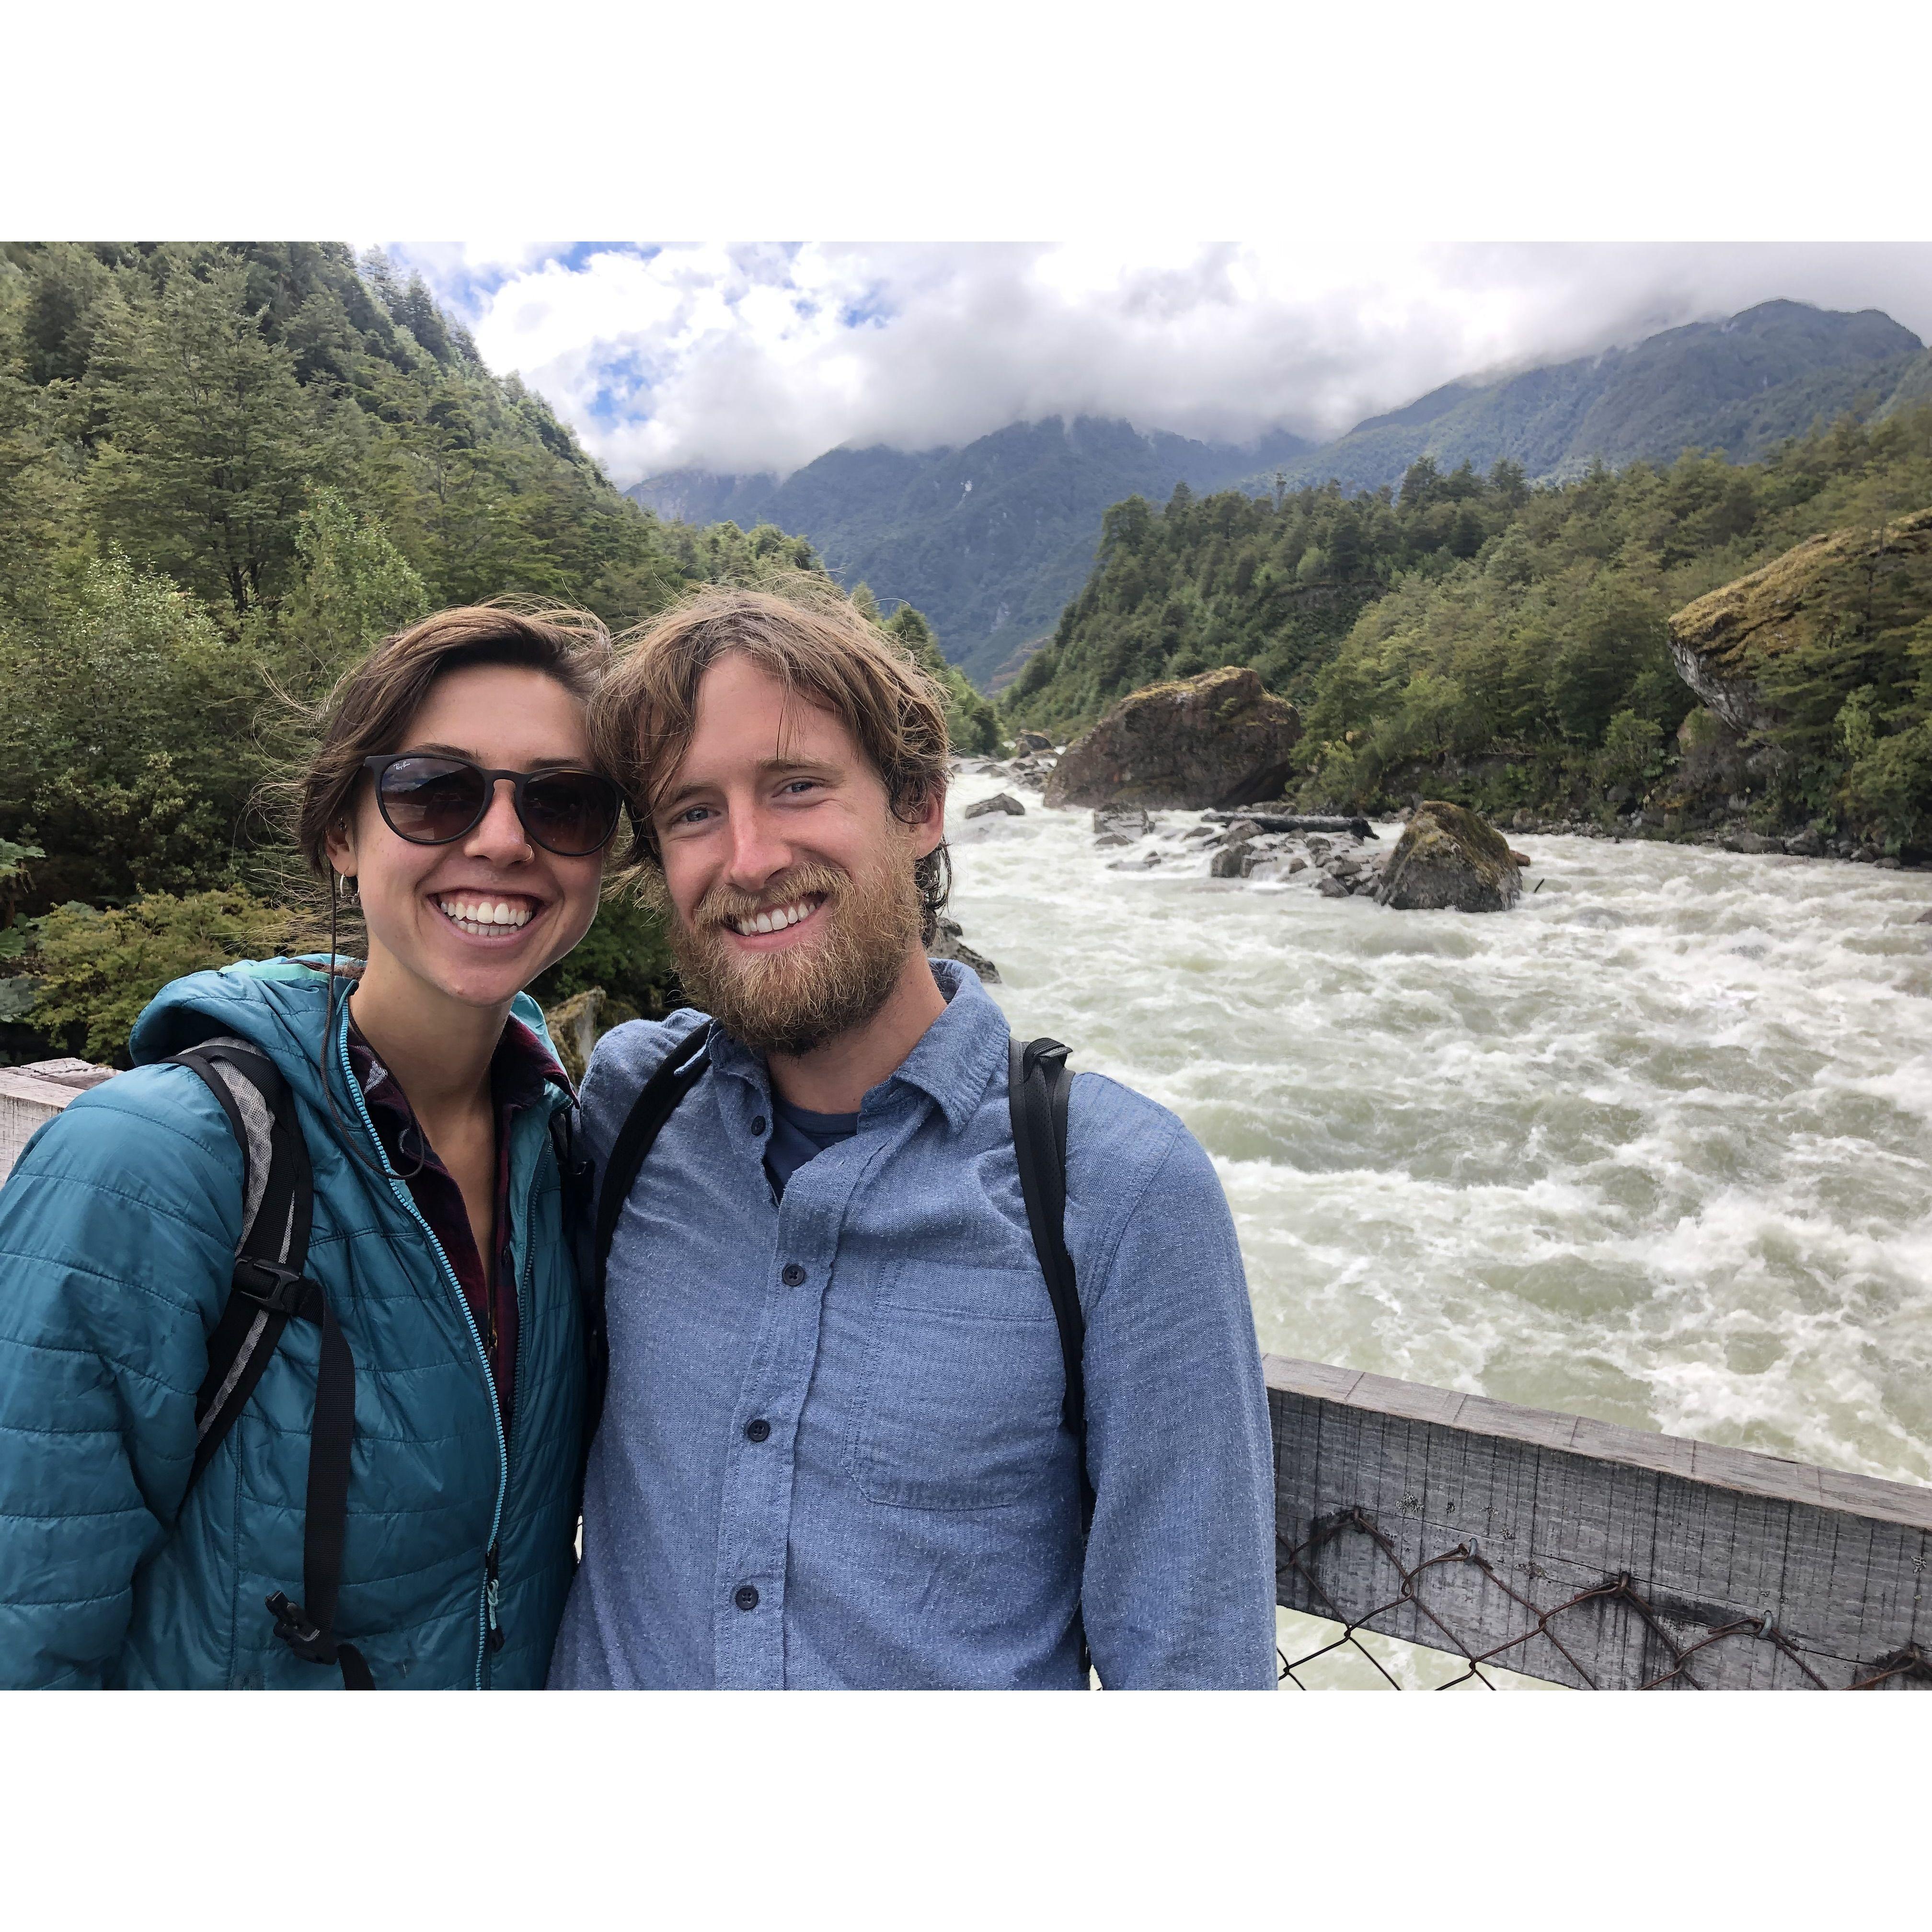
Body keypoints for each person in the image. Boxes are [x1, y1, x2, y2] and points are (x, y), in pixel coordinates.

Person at [549, 585, 1277, 1690]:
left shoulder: (1118, 1193)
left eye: (797, 787)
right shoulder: (631, 1109)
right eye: (694, 812)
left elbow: (1191, 1674)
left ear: (921, 806)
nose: (748, 859)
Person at [0, 606, 622, 1688]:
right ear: (343, 832)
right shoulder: (153, 1167)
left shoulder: (569, 1149)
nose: (504, 841)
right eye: (435, 791)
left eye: (563, 802)